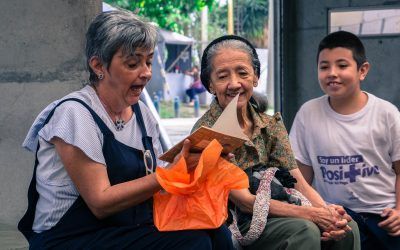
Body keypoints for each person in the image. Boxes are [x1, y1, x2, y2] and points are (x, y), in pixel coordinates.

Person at [18, 10, 233, 250]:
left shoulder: (142, 113)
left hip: (125, 230)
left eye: (149, 61)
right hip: (69, 238)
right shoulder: (74, 114)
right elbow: (100, 202)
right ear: (98, 65)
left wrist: (200, 163)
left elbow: (160, 183)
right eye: (133, 63)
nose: (147, 72)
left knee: (215, 229)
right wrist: (170, 174)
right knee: (192, 243)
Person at [192, 34, 360, 250]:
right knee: (304, 230)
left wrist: (326, 213)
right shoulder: (206, 133)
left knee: (346, 226)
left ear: (255, 77)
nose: (234, 84)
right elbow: (244, 201)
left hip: (280, 207)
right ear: (210, 85)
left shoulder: (270, 124)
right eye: (223, 76)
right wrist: (310, 214)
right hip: (236, 221)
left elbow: (296, 178)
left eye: (242, 73)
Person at [289, 30, 400, 250]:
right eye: (324, 67)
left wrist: (399, 212)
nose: (332, 73)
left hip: (384, 217)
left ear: (362, 70)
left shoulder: (387, 114)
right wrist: (316, 214)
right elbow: (300, 177)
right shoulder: (308, 113)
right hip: (337, 219)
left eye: (342, 65)